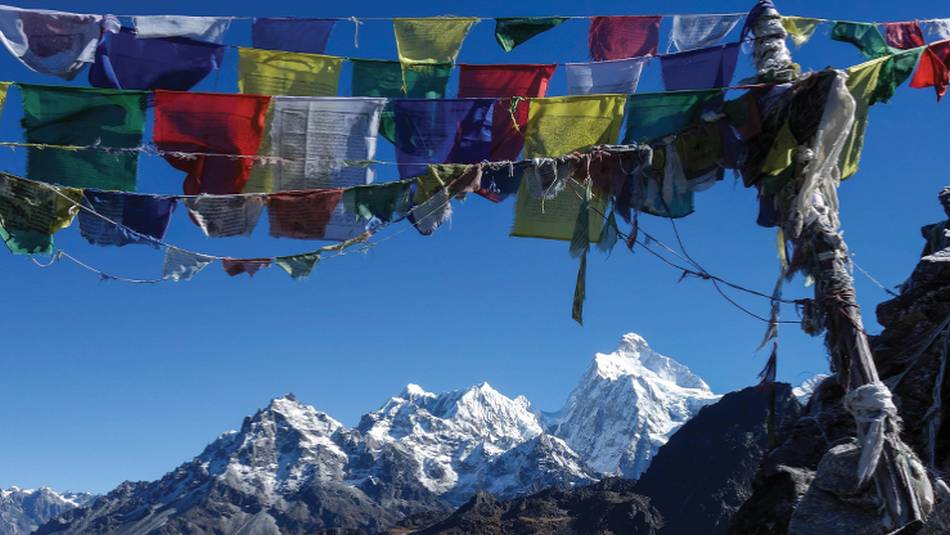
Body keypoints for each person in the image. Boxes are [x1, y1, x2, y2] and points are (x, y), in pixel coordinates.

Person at [920, 187, 950, 258]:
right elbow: (925, 257)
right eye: (944, 204)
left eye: (949, 202)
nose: (947, 207)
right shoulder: (938, 229)